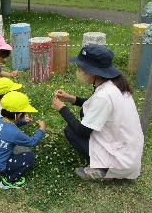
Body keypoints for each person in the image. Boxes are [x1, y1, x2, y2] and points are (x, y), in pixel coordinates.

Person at [52, 44, 144, 180]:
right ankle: (103, 164)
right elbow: (95, 107)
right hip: (128, 152)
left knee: (71, 131)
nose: (78, 71)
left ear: (92, 72)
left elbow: (81, 131)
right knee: (83, 116)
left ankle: (102, 169)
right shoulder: (114, 84)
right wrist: (71, 98)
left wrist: (62, 108)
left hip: (120, 161)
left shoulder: (104, 96)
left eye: (80, 68)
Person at [0, 91, 46, 190]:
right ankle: (9, 181)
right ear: (19, 115)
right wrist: (41, 129)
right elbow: (32, 142)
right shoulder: (15, 133)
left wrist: (23, 121)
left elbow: (9, 126)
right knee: (29, 157)